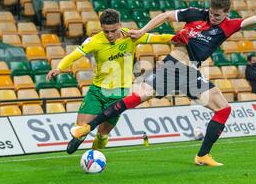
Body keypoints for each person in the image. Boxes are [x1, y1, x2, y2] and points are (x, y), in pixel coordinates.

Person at [68, 0, 256, 166]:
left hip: (192, 74)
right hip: (173, 66)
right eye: (211, 13)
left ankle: (202, 155)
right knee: (139, 97)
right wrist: (141, 31)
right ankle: (87, 128)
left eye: (218, 15)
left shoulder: (229, 26)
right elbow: (166, 16)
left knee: (223, 109)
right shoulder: (195, 14)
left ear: (226, 13)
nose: (213, 17)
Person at [46, 9, 172, 151]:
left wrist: (178, 37)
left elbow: (159, 38)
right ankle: (79, 138)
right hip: (97, 91)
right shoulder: (94, 41)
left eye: (113, 31)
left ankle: (93, 156)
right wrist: (59, 68)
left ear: (119, 24)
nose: (110, 35)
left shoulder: (132, 36)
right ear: (101, 27)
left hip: (119, 94)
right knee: (80, 129)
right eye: (106, 31)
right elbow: (74, 55)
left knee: (102, 135)